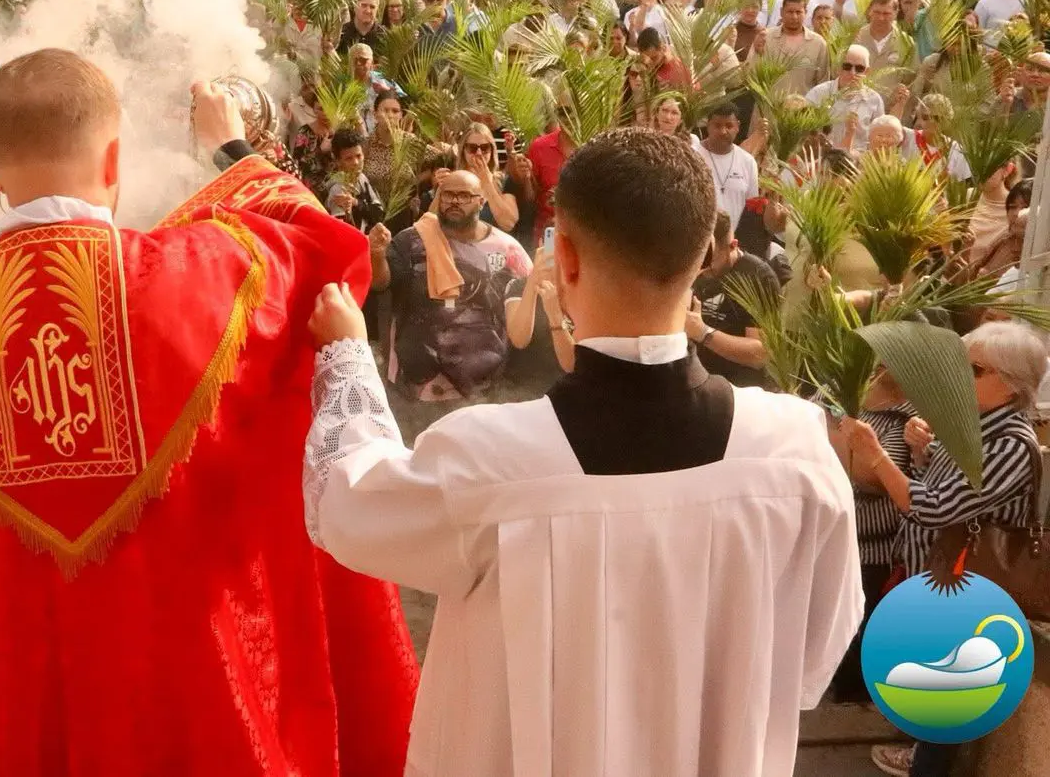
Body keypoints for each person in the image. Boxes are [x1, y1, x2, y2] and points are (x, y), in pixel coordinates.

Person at [0, 52, 418, 775]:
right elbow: (320, 243)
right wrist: (233, 150)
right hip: (200, 714)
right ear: (116, 155)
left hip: (29, 720)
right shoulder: (213, 277)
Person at [304, 128, 861, 776]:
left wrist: (345, 354)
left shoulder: (489, 461)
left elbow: (348, 503)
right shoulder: (796, 456)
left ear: (563, 258)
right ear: (706, 258)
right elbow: (811, 660)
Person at [848, 321, 1044, 777]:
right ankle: (921, 754)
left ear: (1011, 384)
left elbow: (935, 508)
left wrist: (876, 455)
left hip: (967, 582)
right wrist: (922, 454)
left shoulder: (1011, 443)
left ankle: (927, 766)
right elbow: (940, 487)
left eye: (973, 369)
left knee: (950, 689)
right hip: (936, 571)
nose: (959, 376)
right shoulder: (971, 428)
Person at [369, 168, 532, 402]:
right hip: (417, 393)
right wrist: (376, 254)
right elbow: (381, 283)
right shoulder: (411, 242)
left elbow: (530, 308)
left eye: (464, 195)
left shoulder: (507, 250)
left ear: (481, 201)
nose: (454, 201)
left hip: (488, 392)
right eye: (448, 194)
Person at [688, 211, 776, 386]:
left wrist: (703, 332)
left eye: (711, 261)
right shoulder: (695, 269)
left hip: (738, 390)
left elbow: (760, 354)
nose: (703, 269)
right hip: (697, 382)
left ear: (733, 245)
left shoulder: (758, 277)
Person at [806, 45, 884, 152]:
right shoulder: (818, 94)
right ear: (838, 68)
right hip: (822, 158)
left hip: (858, 162)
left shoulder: (874, 99)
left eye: (859, 68)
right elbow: (803, 130)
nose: (853, 73)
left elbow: (880, 136)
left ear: (867, 72)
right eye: (847, 67)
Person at [696, 102, 759, 228]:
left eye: (729, 126)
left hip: (731, 242)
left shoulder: (748, 162)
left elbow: (751, 207)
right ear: (708, 126)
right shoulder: (692, 154)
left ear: (738, 127)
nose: (723, 131)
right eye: (717, 126)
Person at [767, 0, 831, 94]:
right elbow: (753, 75)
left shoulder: (818, 44)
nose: (794, 16)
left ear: (805, 13)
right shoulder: (766, 38)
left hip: (803, 107)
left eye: (798, 12)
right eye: (790, 12)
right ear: (781, 12)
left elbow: (823, 82)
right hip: (769, 107)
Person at [325, 128, 385, 233]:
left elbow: (378, 213)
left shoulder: (362, 178)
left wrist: (356, 203)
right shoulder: (338, 189)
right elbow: (343, 231)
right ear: (338, 161)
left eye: (359, 156)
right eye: (349, 158)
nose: (356, 162)